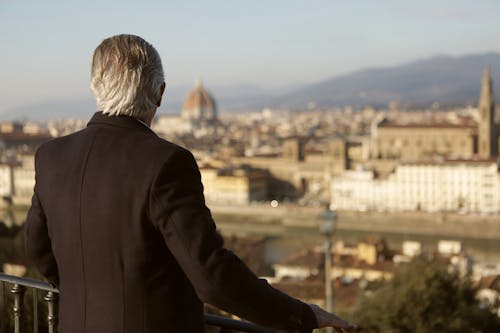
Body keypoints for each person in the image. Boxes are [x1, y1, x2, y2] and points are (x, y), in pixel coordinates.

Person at [24, 34, 356, 333]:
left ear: (94, 86)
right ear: (160, 93)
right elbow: (212, 277)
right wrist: (300, 315)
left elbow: (38, 250)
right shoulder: (165, 162)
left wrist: (90, 292)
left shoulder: (52, 155)